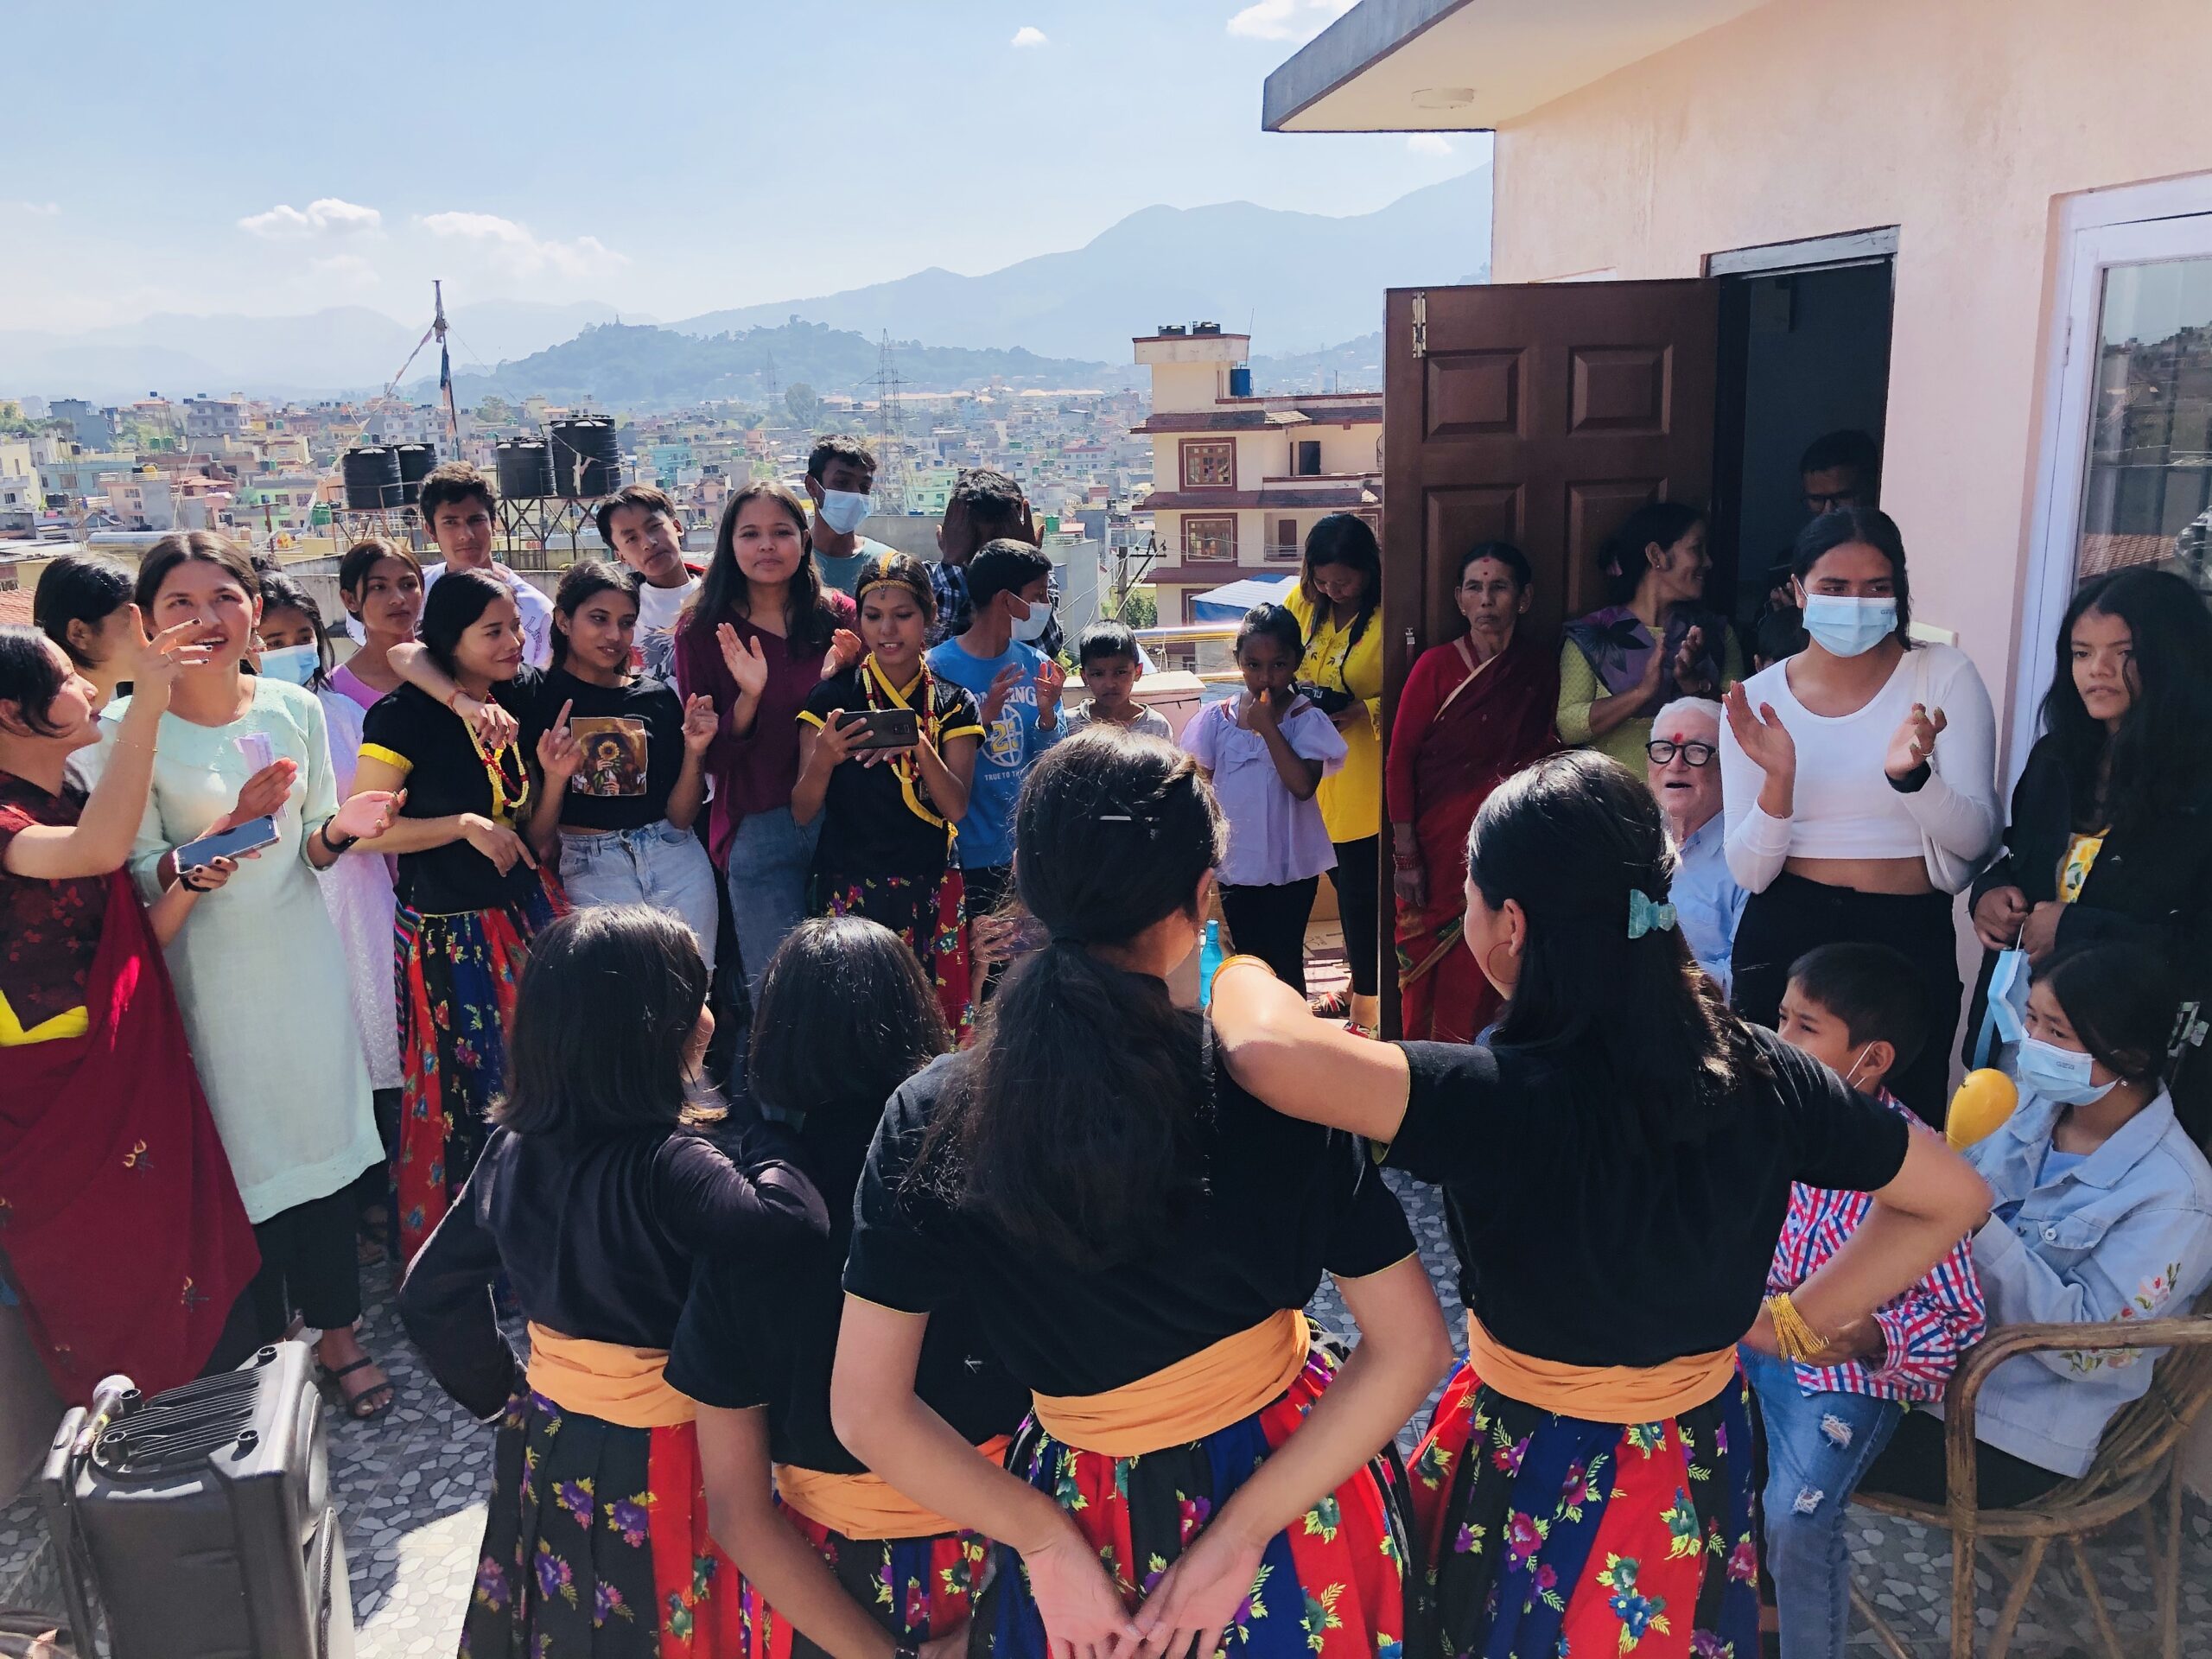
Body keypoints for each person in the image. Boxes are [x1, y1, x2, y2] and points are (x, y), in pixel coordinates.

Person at [1209, 748, 1992, 1659]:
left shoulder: (1499, 1095)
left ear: (1509, 924)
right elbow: (1952, 1197)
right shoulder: (1760, 1068)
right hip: (1695, 1455)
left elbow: (1266, 1055)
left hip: (1536, 1460)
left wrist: (1237, 969)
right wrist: (1790, 1325)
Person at [830, 729, 1449, 1659]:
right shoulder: (1270, 1093)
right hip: (1287, 1490)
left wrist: (1039, 1538)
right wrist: (1241, 1532)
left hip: (1082, 1521)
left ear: (1033, 891)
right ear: (1204, 899)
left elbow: (866, 1412)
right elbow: (1410, 1348)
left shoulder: (931, 1111)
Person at [398, 904, 831, 1658]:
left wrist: (507, 1397)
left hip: (553, 1438)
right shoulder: (668, 1162)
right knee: (679, 1625)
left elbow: (430, 1293)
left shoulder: (512, 1146)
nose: (709, 1013)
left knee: (572, 1624)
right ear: (651, 1032)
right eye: (691, 998)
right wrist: (763, 1127)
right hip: (675, 1453)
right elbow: (792, 1224)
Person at [676, 918, 1026, 1659]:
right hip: (1010, 1552)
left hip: (823, 1585)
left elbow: (738, 1512)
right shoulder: (1000, 1177)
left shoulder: (752, 1218)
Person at [111, 532, 399, 1416]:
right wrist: (233, 828)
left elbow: (309, 847)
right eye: (180, 605)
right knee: (244, 1164)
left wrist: (345, 827)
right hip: (210, 981)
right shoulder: (131, 731)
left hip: (300, 966)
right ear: (146, 623)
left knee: (317, 1153)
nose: (207, 620)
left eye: (225, 598)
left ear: (253, 605)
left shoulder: (290, 708)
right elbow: (138, 876)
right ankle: (272, 1354)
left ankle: (340, 1335)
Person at [0, 621, 261, 1399]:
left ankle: (220, 1426)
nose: (86, 688)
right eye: (66, 678)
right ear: (12, 713)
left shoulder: (72, 788)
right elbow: (93, 853)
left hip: (124, 1050)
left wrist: (192, 875)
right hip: (54, 1085)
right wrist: (146, 707)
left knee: (176, 1242)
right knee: (106, 1265)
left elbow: (123, 938)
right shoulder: (11, 818)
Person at [1859, 944, 2212, 1509]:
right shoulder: (2028, 1107)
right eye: (2031, 1019)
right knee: (1762, 1374)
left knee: (1789, 1435)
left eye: (2059, 1034)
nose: (2033, 1045)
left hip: (2003, 1430)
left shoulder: (2178, 1199)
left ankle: (1773, 1593)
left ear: (2130, 1054)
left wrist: (1976, 1226)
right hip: (1921, 1363)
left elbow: (2089, 1352)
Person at [1722, 507, 2001, 1122]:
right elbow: (1749, 872)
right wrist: (1780, 781)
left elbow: (1977, 837)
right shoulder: (1760, 700)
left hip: (1903, 934)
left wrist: (1913, 779)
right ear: (1797, 591)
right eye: (1834, 588)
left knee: (1900, 1130)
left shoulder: (1942, 675)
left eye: (1877, 588)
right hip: (1787, 929)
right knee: (1770, 1127)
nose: (1857, 604)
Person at [1748, 944, 1986, 1659]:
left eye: (1805, 1028)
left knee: (1796, 1520)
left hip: (1837, 1379)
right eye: (1782, 1019)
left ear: (1871, 1058)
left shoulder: (1920, 1165)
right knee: (1684, 1468)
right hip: (1744, 1341)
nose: (1779, 1042)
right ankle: (1738, 1628)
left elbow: (1957, 1321)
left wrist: (1875, 1337)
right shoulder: (1763, 1120)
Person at [353, 568, 567, 1261]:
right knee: (469, 1089)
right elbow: (368, 830)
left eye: (516, 627)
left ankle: (544, 1236)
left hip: (523, 912)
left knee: (539, 1075)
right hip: (449, 932)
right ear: (453, 639)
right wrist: (461, 825)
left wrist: (554, 780)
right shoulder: (402, 718)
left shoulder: (517, 697)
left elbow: (532, 830)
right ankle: (469, 1257)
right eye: (494, 631)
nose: (514, 642)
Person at [1967, 569, 2212, 1131]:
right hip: (2027, 1041)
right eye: (2081, 653)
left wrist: (2076, 930)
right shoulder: (2058, 757)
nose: (2096, 670)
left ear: (2176, 657)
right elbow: (2026, 862)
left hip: (2135, 1062)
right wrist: (1989, 894)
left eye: (2122, 653)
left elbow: (2199, 947)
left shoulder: (2198, 784)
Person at [395, 560, 723, 973]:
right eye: (598, 619)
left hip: (674, 859)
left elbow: (679, 816)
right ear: (564, 621)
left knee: (694, 998)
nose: (614, 635)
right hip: (589, 865)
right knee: (611, 1011)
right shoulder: (531, 691)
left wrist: (695, 751)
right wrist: (462, 701)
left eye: (626, 622)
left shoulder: (655, 698)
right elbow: (404, 654)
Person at [256, 572, 405, 1261]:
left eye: (299, 638)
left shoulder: (342, 714)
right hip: (291, 906)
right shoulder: (249, 724)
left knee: (377, 1047)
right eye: (273, 640)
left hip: (364, 897)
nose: (290, 650)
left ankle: (379, 1198)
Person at [675, 482, 861, 1011]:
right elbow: (711, 756)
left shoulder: (840, 619)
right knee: (780, 1001)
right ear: (728, 544)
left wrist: (842, 678)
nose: (767, 547)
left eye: (781, 533)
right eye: (750, 534)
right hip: (757, 823)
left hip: (846, 820)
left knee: (853, 991)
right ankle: (780, 1099)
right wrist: (749, 698)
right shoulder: (702, 630)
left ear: (804, 540)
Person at [793, 552, 982, 1039]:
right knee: (855, 1029)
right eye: (873, 616)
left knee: (934, 1028)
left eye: (903, 615)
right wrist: (826, 757)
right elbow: (802, 809)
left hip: (932, 882)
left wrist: (918, 744)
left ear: (929, 616)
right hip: (850, 881)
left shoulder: (953, 702)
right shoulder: (832, 698)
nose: (887, 630)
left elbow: (956, 806)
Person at [1387, 540, 1558, 1043]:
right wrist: (1405, 855)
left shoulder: (1539, 670)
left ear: (1523, 599)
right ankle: (1429, 1070)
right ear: (1459, 600)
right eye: (1474, 588)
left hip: (1514, 842)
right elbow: (1399, 761)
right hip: (1438, 851)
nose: (1486, 600)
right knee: (1432, 968)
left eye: (1499, 587)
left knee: (1506, 952)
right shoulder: (1435, 667)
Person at [1179, 603, 1345, 994]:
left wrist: (1269, 728)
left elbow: (1303, 786)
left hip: (1292, 866)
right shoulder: (1216, 719)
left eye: (1279, 665)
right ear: (1238, 661)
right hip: (1239, 864)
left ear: (1297, 663)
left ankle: (1293, 1042)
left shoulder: (1307, 719)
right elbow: (1201, 784)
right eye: (1253, 665)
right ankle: (1253, 1041)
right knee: (1249, 957)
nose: (1265, 677)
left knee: (1285, 959)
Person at [925, 539, 1064, 996]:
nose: (1044, 606)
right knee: (970, 987)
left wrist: (1046, 716)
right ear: (1008, 600)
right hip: (962, 861)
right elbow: (924, 763)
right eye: (1040, 595)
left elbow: (1051, 766)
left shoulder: (1037, 666)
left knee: (1021, 987)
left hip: (1023, 861)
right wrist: (977, 720)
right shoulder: (938, 670)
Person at [1284, 514, 1386, 1033]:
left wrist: (1364, 710)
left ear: (1369, 570)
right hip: (1303, 766)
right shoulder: (1303, 604)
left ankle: (1367, 1006)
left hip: (1360, 773)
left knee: (1358, 893)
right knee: (1313, 880)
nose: (1333, 590)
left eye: (1343, 581)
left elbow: (1413, 690)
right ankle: (1344, 986)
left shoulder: (1392, 614)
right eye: (1323, 580)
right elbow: (1271, 649)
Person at [1560, 502, 1740, 770]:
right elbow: (1568, 726)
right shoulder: (1593, 636)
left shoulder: (1717, 633)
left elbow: (1741, 723)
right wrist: (1641, 693)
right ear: (1657, 555)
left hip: (1697, 802)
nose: (1708, 561)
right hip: (1614, 800)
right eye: (1696, 548)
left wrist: (1694, 684)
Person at [345, 462, 557, 668]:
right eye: (450, 522)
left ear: (493, 523)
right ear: (431, 531)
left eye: (476, 520)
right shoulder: (411, 593)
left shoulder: (536, 613)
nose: (466, 535)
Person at [1647, 697, 1745, 997]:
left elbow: (1744, 985)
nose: (1676, 764)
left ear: (1730, 763)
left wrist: (1646, 971)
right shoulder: (1626, 840)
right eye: (1664, 749)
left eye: (1697, 751)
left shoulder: (1749, 857)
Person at [926, 468, 1050, 651]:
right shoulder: (924, 581)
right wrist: (952, 562)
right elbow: (933, 651)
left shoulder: (1041, 584)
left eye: (999, 542)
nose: (989, 554)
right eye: (976, 540)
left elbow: (1045, 647)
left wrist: (1023, 566)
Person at [1761, 433, 1882, 614]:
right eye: (1816, 499)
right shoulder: (1790, 562)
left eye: (1842, 497)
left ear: (1871, 490)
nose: (1828, 510)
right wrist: (1786, 621)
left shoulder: (1887, 559)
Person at [596, 483, 704, 682]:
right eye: (631, 539)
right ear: (620, 555)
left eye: (654, 527)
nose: (648, 543)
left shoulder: (721, 595)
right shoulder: (614, 613)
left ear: (677, 527)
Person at [32, 550, 140, 713]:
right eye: (134, 620)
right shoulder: (32, 729)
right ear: (79, 633)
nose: (151, 631)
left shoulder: (122, 713)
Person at [329, 537, 424, 709]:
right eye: (379, 587)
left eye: (408, 584)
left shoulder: (450, 666)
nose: (398, 599)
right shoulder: (333, 691)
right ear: (350, 600)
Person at [803, 435, 896, 598]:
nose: (856, 495)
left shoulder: (887, 565)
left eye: (864, 487)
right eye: (842, 482)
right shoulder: (792, 561)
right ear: (812, 486)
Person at [1064, 620, 1172, 738]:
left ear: (1138, 672)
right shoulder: (1068, 725)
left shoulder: (1155, 727)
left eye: (1120, 672)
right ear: (1084, 676)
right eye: (1098, 674)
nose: (1110, 684)